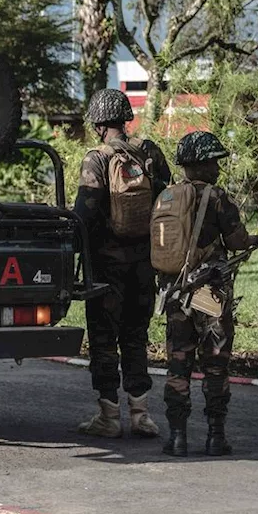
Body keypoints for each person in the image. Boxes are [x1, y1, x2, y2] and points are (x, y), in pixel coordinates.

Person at [160, 131, 258, 457]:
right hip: (208, 289)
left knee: (178, 363)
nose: (218, 168)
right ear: (202, 164)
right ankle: (215, 436)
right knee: (215, 362)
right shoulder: (216, 197)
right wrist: (256, 240)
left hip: (175, 290)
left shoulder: (167, 197)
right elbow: (236, 240)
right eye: (214, 162)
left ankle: (177, 438)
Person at [73, 89, 173, 439]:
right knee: (136, 335)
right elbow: (168, 200)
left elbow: (84, 213)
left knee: (103, 338)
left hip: (106, 267)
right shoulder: (149, 153)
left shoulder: (96, 159)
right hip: (144, 263)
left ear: (99, 124)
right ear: (125, 119)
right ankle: (141, 414)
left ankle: (108, 416)